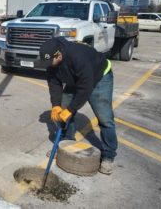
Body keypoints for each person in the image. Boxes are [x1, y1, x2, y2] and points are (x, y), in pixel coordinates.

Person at [40, 37, 118, 175]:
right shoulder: (52, 62)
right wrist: (56, 106)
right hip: (75, 78)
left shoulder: (78, 57)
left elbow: (85, 89)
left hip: (99, 78)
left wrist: (70, 110)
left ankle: (108, 156)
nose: (49, 65)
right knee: (62, 112)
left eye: (50, 62)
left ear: (59, 55)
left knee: (105, 118)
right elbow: (54, 84)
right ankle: (66, 145)